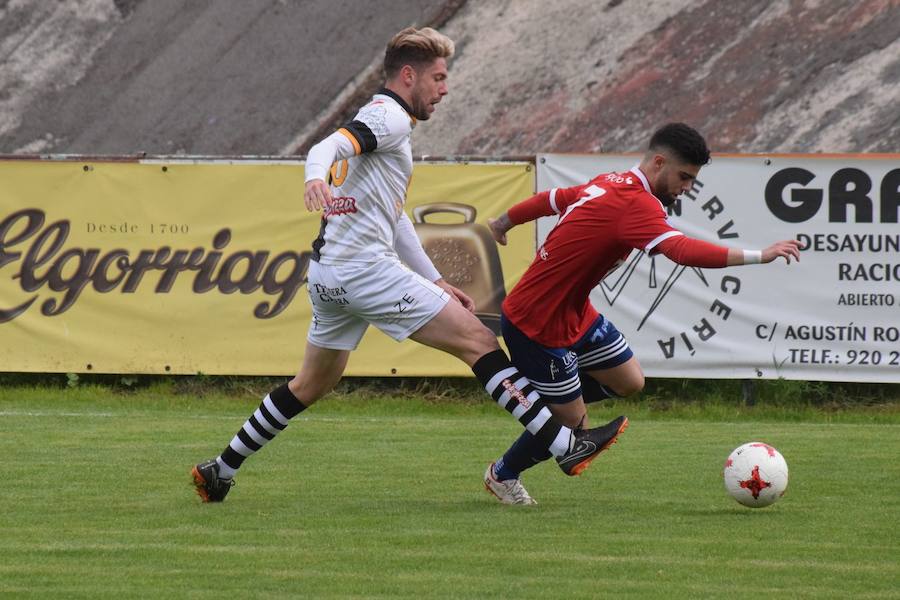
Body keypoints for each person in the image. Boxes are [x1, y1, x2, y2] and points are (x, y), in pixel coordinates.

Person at [191, 27, 626, 503]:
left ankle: (221, 469)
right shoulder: (389, 117)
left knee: (311, 384)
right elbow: (323, 148)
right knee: (478, 341)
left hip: (329, 276)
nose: (445, 88)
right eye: (438, 77)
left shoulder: (384, 122)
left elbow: (393, 217)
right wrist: (314, 178)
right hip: (364, 271)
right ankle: (564, 444)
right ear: (407, 76)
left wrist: (436, 278)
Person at [482, 123, 801, 505]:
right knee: (568, 424)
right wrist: (759, 255)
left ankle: (543, 401)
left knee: (630, 380)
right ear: (659, 162)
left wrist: (505, 221)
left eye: (692, 180)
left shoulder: (612, 181)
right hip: (538, 324)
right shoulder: (636, 202)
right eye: (683, 177)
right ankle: (503, 474)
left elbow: (554, 198)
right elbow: (681, 251)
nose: (685, 188)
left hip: (575, 314)